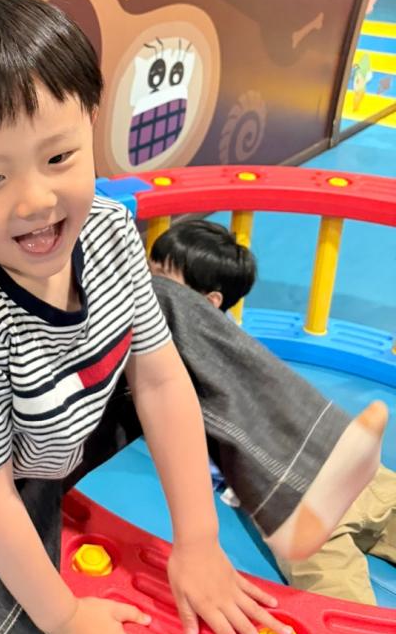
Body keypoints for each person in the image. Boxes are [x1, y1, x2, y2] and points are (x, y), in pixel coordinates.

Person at [0, 0, 373, 634]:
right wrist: (66, 620)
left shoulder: (105, 228)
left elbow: (164, 382)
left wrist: (198, 540)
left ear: (90, 124)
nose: (36, 200)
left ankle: (302, 478)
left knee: (169, 311)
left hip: (58, 420)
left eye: (59, 158)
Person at [148, 219, 393, 605]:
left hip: (306, 491)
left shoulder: (190, 354)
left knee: (340, 597)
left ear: (207, 304)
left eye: (162, 280)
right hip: (318, 494)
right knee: (344, 600)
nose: (147, 288)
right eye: (148, 272)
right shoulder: (219, 340)